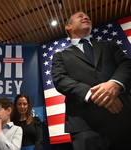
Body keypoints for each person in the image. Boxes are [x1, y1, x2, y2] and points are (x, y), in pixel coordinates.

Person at [51, 11, 131, 150]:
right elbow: (60, 80)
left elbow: (126, 65)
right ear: (68, 26)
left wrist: (115, 84)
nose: (86, 17)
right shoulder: (60, 56)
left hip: (123, 117)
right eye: (80, 16)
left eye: (87, 16)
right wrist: (93, 94)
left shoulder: (109, 45)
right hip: (84, 125)